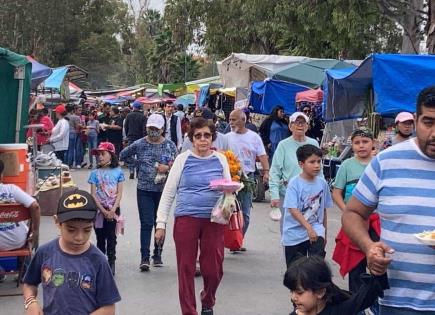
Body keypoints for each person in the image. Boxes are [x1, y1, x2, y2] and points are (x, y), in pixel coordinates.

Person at [342, 85, 435, 314]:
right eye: (429, 122)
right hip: (397, 301)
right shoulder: (386, 162)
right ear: (415, 120)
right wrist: (369, 246)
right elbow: (352, 213)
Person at [155, 117, 231, 315]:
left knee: (213, 270)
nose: (203, 140)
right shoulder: (183, 159)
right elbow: (168, 193)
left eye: (207, 135)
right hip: (186, 218)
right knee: (186, 268)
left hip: (214, 220)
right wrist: (161, 223)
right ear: (192, 139)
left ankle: (208, 299)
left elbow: (229, 191)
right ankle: (189, 311)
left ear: (213, 138)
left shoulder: (220, 159)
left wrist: (230, 195)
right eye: (198, 136)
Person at [22, 190, 121, 315]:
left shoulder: (99, 260)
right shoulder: (44, 253)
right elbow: (29, 284)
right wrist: (31, 302)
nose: (79, 237)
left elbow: (109, 309)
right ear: (57, 221)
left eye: (86, 230)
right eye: (71, 230)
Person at [331, 129, 380, 315]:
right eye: (357, 142)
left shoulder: (379, 164)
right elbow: (337, 192)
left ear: (373, 143)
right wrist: (348, 212)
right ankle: (357, 307)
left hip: (377, 223)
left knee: (377, 262)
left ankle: (376, 305)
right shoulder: (346, 166)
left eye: (365, 141)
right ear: (352, 145)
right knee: (355, 265)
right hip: (355, 224)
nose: (361, 145)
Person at [120, 114, 177, 271]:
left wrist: (168, 168)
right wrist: (136, 164)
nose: (153, 132)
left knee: (160, 223)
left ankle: (157, 255)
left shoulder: (170, 146)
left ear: (162, 130)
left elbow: (177, 164)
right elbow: (123, 155)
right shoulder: (139, 144)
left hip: (164, 191)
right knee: (146, 223)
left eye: (156, 129)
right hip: (144, 189)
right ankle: (144, 258)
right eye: (150, 129)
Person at [282, 144, 332, 268]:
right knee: (296, 272)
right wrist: (308, 228)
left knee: (316, 269)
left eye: (319, 162)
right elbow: (293, 209)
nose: (317, 165)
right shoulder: (294, 184)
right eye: (312, 162)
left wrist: (324, 233)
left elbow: (323, 209)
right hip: (294, 233)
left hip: (316, 229)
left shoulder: (322, 183)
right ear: (301, 164)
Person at [284, 256, 388, 315]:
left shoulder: (340, 311)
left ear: (320, 292)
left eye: (299, 292)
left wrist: (378, 270)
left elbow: (366, 297)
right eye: (291, 291)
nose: (293, 297)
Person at [269, 112, 320, 232]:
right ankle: (288, 250)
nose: (300, 125)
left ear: (307, 126)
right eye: (296, 123)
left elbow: (319, 169)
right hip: (288, 193)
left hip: (310, 193)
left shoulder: (314, 143)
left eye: (303, 123)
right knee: (289, 228)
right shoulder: (283, 145)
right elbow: (275, 171)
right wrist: (274, 194)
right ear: (290, 126)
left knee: (311, 225)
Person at [226, 109, 269, 240]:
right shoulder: (226, 137)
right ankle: (227, 239)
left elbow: (262, 155)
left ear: (243, 120)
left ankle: (239, 239)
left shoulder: (254, 137)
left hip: (247, 179)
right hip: (229, 179)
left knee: (245, 213)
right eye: (230, 120)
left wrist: (266, 172)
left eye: (234, 120)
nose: (231, 123)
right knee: (226, 211)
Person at [88, 142, 124, 275]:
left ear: (111, 155)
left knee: (112, 237)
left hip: (114, 209)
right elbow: (92, 194)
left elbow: (119, 193)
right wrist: (103, 210)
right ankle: (100, 263)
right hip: (99, 210)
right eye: (98, 154)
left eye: (103, 154)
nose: (100, 157)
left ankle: (111, 262)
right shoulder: (94, 173)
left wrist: (113, 209)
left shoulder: (118, 172)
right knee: (100, 238)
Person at [0, 160, 40, 251]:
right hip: (16, 242)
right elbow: (35, 206)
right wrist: (35, 231)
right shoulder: (12, 189)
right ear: (1, 175)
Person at [124, 101, 147, 179]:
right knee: (140, 155)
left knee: (131, 155)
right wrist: (145, 138)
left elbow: (125, 126)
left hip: (131, 137)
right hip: (140, 138)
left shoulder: (129, 115)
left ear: (133, 107)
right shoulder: (143, 117)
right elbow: (144, 129)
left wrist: (127, 135)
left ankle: (131, 171)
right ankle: (138, 172)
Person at [65, 104, 82, 168]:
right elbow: (77, 127)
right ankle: (70, 164)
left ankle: (66, 163)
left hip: (66, 133)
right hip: (72, 133)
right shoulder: (75, 117)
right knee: (71, 149)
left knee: (66, 149)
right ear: (72, 110)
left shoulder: (64, 117)